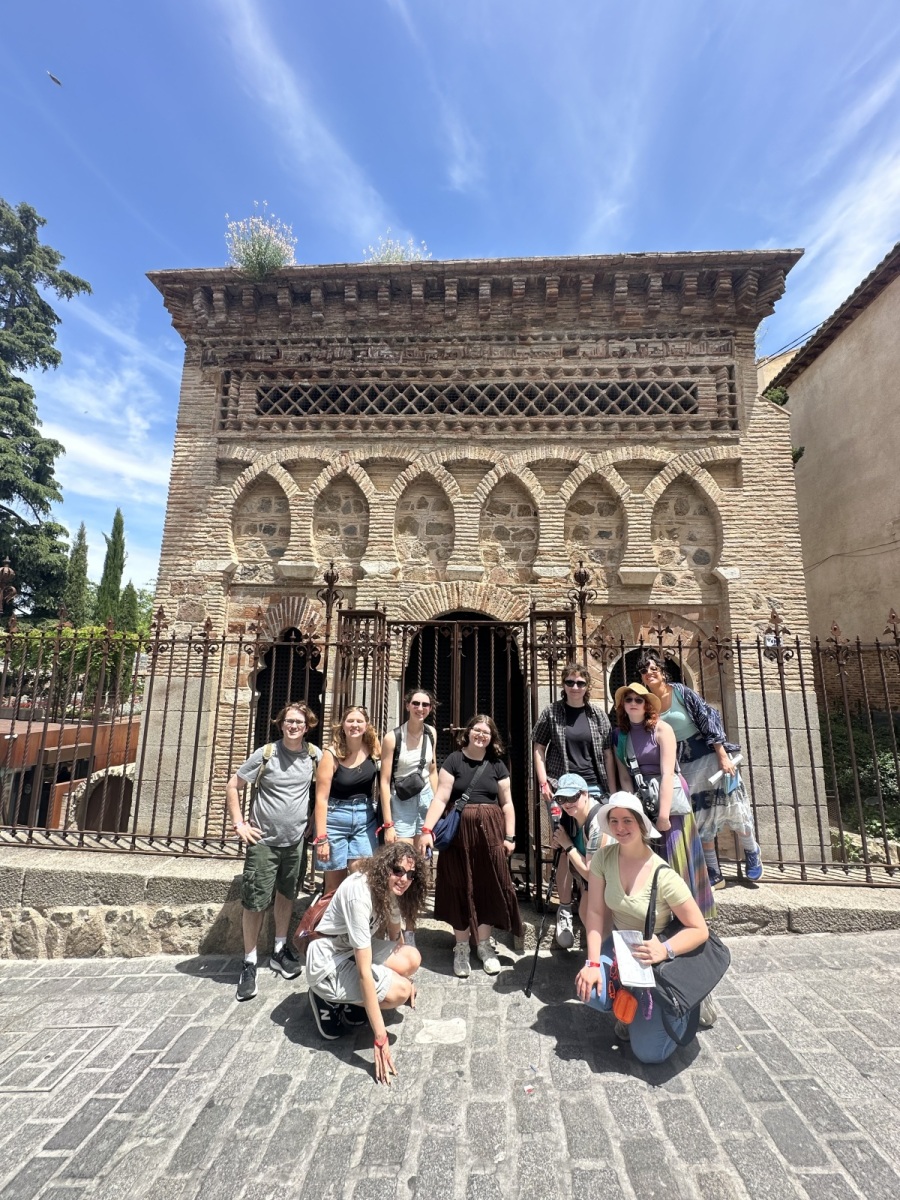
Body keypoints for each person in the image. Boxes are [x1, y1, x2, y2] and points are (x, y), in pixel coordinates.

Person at [575, 793, 711, 1063]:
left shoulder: (663, 875)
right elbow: (595, 911)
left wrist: (665, 949)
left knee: (649, 1054)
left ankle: (688, 1005)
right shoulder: (603, 858)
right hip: (621, 949)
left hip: (654, 956)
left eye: (627, 820)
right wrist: (592, 963)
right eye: (614, 820)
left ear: (640, 824)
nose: (620, 827)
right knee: (589, 989)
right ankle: (628, 1007)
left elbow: (699, 929)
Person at [636, 651, 763, 888]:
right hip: (684, 764)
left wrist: (722, 755)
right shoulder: (648, 704)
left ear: (662, 671)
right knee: (701, 816)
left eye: (653, 668)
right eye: (644, 671)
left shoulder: (681, 693)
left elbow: (708, 718)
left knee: (732, 806)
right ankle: (714, 871)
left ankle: (752, 851)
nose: (649, 673)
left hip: (710, 756)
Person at [306, 843, 426, 1084]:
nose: (404, 879)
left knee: (411, 958)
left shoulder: (388, 886)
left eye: (411, 875)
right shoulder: (359, 895)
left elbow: (395, 934)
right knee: (400, 993)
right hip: (327, 961)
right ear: (385, 867)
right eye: (398, 870)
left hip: (350, 949)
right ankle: (325, 998)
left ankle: (355, 1002)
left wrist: (403, 973)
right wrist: (380, 1038)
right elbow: (364, 973)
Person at [226, 702, 322, 1002]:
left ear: (307, 727)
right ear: (281, 724)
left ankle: (280, 949)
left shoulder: (314, 756)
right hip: (263, 842)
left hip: (295, 842)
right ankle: (249, 961)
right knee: (255, 902)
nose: (294, 726)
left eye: (299, 722)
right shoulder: (265, 754)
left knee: (287, 895)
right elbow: (233, 785)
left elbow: (324, 791)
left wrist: (313, 820)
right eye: (289, 721)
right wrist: (239, 824)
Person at [419, 714, 523, 977]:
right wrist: (427, 830)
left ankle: (484, 945)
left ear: (492, 737)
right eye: (477, 730)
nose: (481, 735)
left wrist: (510, 837)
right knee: (458, 885)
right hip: (459, 837)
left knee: (488, 885)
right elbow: (441, 798)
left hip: (491, 836)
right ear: (468, 732)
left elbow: (507, 803)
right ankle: (462, 946)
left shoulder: (497, 765)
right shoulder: (454, 760)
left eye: (486, 732)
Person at [612, 683, 715, 920]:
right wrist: (633, 811)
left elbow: (668, 773)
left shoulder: (662, 729)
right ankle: (660, 916)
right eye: (629, 700)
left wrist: (664, 815)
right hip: (643, 797)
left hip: (669, 797)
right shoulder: (619, 735)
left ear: (647, 705)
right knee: (650, 856)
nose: (633, 703)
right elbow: (625, 777)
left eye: (639, 700)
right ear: (623, 705)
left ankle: (689, 918)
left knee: (674, 854)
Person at [313, 706, 380, 895]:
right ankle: (330, 915)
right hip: (335, 819)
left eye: (359, 721)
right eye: (350, 721)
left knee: (363, 879)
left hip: (365, 819)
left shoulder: (373, 748)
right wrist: (322, 838)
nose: (354, 725)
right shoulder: (331, 754)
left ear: (366, 725)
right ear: (342, 725)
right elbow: (321, 798)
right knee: (333, 887)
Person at [533, 661, 615, 805]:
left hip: (593, 786)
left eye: (580, 683)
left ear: (587, 686)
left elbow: (607, 754)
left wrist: (612, 793)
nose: (575, 687)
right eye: (570, 682)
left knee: (595, 820)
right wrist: (543, 783)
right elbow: (539, 748)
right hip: (561, 785)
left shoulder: (598, 715)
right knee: (562, 821)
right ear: (563, 684)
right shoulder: (551, 712)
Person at [378, 688, 439, 858]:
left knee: (421, 856)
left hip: (426, 798)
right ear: (407, 706)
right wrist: (388, 824)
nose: (420, 708)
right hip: (401, 800)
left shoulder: (431, 733)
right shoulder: (392, 738)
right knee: (402, 857)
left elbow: (432, 771)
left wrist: (437, 803)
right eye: (416, 703)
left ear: (430, 708)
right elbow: (384, 781)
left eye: (425, 704)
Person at [550, 773, 607, 949]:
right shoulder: (571, 818)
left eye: (573, 797)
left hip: (614, 888)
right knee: (586, 912)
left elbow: (591, 875)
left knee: (603, 934)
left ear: (585, 793)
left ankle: (604, 961)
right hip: (598, 885)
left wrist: (567, 845)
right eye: (562, 798)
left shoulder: (598, 823)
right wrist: (560, 842)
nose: (567, 803)